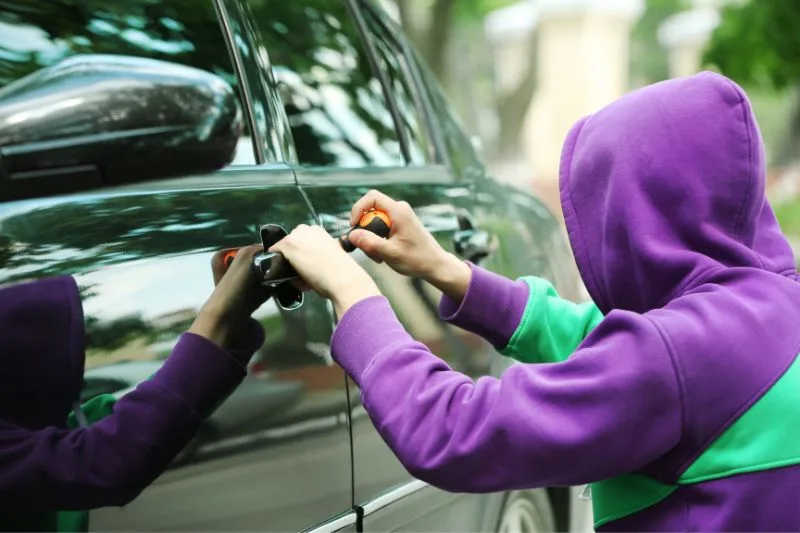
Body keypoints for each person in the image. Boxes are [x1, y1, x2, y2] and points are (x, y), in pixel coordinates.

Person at [269, 71, 800, 531]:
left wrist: (353, 292)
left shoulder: (678, 356)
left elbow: (457, 432)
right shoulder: (768, 310)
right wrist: (447, 271)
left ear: (635, 216)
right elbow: (607, 345)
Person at [0, 245, 270, 532]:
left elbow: (148, 413)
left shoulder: (35, 429)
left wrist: (227, 321)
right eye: (67, 335)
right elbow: (106, 458)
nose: (86, 338)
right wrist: (217, 315)